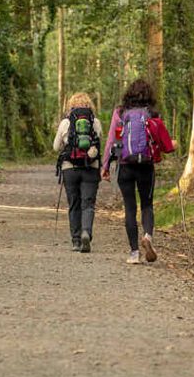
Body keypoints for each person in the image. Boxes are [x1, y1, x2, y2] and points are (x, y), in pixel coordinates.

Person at [102, 77, 175, 264]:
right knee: (147, 204)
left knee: (129, 208)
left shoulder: (120, 113)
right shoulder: (152, 113)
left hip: (125, 166)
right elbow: (163, 142)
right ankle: (148, 236)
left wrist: (105, 166)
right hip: (146, 166)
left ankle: (134, 253)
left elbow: (112, 141)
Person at [53, 92, 103, 253]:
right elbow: (99, 142)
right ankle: (86, 232)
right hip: (90, 167)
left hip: (70, 168)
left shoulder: (66, 123)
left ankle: (75, 241)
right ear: (90, 105)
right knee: (88, 204)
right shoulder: (95, 122)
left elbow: (56, 147)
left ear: (71, 106)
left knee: (74, 205)